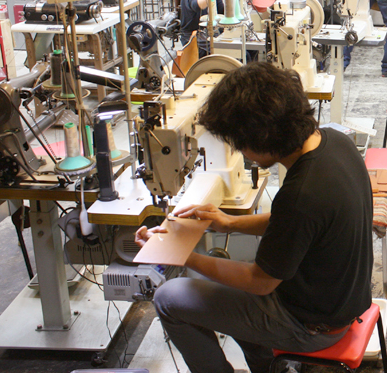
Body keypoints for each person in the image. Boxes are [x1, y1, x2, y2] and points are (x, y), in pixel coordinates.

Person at [135, 62, 374, 373]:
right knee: (224, 292)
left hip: (312, 327)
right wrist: (229, 222)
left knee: (169, 298)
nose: (241, 152)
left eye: (240, 143)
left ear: (261, 138)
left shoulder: (302, 195)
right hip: (340, 301)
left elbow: (258, 282)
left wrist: (183, 256)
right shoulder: (334, 142)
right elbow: (297, 224)